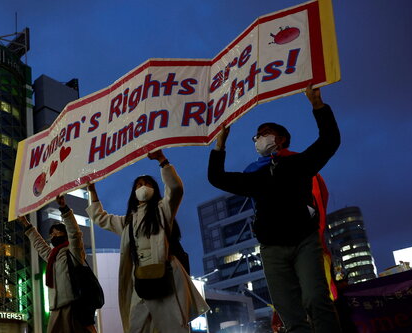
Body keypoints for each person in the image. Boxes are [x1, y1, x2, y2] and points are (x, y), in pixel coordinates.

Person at [207, 86, 341, 333]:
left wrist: (318, 106)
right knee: (288, 310)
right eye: (257, 136)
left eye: (265, 133)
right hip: (271, 248)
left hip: (304, 242)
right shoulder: (253, 175)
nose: (259, 139)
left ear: (281, 139)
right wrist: (220, 144)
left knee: (315, 299)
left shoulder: (298, 164)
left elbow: (329, 141)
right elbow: (217, 178)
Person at [85, 150, 209, 333]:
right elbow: (101, 218)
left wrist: (162, 161)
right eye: (139, 185)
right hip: (141, 277)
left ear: (155, 189)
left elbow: (176, 189)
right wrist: (93, 192)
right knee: (137, 324)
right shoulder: (127, 221)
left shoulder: (163, 210)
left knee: (173, 325)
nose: (143, 188)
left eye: (147, 184)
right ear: (134, 193)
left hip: (166, 274)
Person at [18, 195, 97, 333]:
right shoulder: (52, 256)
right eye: (51, 235)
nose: (54, 236)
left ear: (65, 235)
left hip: (73, 306)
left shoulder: (74, 251)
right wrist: (26, 224)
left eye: (57, 233)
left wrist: (64, 209)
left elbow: (75, 233)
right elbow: (40, 245)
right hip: (56, 307)